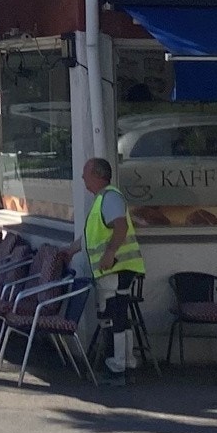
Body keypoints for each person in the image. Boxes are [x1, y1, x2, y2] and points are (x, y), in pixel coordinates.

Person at [67, 155, 146, 376]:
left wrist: (110, 253)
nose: (83, 177)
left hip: (117, 268)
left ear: (98, 176)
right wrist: (71, 250)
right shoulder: (102, 200)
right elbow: (91, 237)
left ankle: (118, 363)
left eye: (86, 173)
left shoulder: (109, 198)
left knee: (113, 313)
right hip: (116, 268)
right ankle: (125, 360)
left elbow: (119, 226)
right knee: (117, 311)